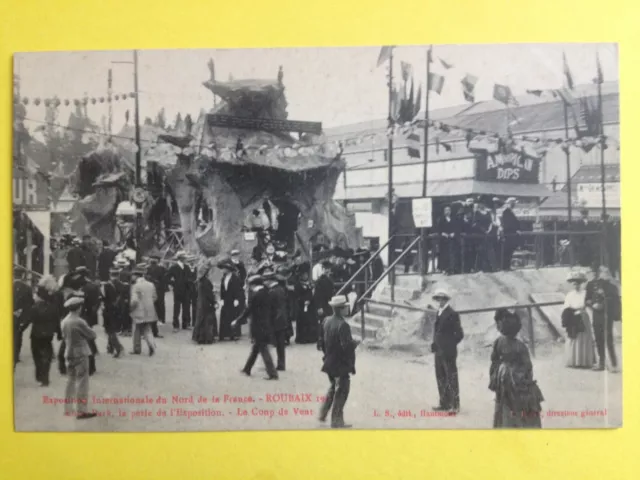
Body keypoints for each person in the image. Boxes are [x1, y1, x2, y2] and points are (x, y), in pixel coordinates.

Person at [489, 309, 544, 428]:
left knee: (504, 408)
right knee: (520, 409)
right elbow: (528, 368)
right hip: (517, 383)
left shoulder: (498, 342)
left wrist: (499, 373)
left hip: (504, 382)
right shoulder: (521, 346)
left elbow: (494, 361)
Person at [318, 295, 359, 428]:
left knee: (332, 388)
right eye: (346, 307)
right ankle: (336, 420)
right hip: (340, 364)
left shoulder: (326, 321)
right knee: (342, 391)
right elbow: (346, 347)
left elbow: (322, 342)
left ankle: (323, 413)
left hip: (329, 361)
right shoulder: (343, 325)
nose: (347, 309)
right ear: (341, 309)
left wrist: (326, 355)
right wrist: (354, 343)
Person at [232, 275, 278, 380]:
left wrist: (237, 321)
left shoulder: (256, 295)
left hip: (258, 325)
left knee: (262, 349)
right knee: (256, 348)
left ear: (253, 285)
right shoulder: (267, 292)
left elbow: (248, 310)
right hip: (266, 324)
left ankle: (273, 374)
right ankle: (247, 368)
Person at [60, 292, 97, 419]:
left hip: (68, 352)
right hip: (80, 353)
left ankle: (68, 408)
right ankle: (81, 411)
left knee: (70, 380)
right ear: (79, 308)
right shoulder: (79, 321)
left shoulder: (65, 321)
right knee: (82, 381)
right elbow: (92, 335)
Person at [22, 276, 61, 386]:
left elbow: (29, 319)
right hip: (48, 333)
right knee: (47, 355)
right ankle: (45, 377)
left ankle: (40, 375)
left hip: (36, 333)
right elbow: (57, 319)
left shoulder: (35, 306)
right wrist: (59, 333)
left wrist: (20, 329)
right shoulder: (54, 304)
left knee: (37, 355)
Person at [431, 288, 464, 413]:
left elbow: (459, 334)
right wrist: (435, 343)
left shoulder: (452, 314)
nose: (440, 301)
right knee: (440, 376)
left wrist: (449, 345)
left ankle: (455, 405)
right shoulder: (439, 312)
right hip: (438, 351)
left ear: (446, 299)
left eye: (442, 299)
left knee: (451, 377)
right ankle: (444, 403)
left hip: (448, 351)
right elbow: (437, 331)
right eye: (438, 299)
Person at [585, 266, 620, 372]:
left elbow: (616, 302)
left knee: (608, 339)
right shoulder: (591, 285)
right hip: (596, 315)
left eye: (607, 271)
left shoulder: (613, 287)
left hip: (607, 316)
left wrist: (604, 305)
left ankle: (613, 364)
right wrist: (593, 305)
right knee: (598, 339)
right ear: (599, 273)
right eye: (603, 272)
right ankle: (601, 363)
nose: (605, 273)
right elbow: (586, 300)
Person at [561, 270, 595, 369]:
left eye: (579, 283)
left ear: (582, 283)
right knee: (573, 338)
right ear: (572, 284)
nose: (576, 285)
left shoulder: (585, 293)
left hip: (583, 316)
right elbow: (566, 306)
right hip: (572, 317)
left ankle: (584, 361)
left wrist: (583, 309)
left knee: (584, 338)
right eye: (574, 283)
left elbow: (588, 304)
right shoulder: (570, 295)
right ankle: (573, 361)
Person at [129, 265, 157, 356]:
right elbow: (155, 297)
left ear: (136, 275)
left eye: (133, 275)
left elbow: (134, 300)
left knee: (136, 329)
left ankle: (137, 349)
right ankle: (151, 344)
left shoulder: (135, 286)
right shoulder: (151, 284)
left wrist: (130, 309)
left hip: (138, 310)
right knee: (147, 329)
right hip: (150, 310)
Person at [266, 271, 289, 371]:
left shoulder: (272, 292)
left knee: (273, 342)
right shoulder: (281, 289)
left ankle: (273, 364)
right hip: (282, 319)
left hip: (275, 320)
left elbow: (271, 307)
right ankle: (281, 364)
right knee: (280, 344)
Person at [192, 259, 218, 344]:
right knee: (207, 320)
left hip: (200, 302)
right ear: (207, 273)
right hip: (206, 303)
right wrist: (214, 302)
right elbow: (209, 294)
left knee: (201, 319)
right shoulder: (206, 282)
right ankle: (206, 338)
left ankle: (199, 337)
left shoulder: (200, 281)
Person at [219, 259, 245, 341]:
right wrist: (222, 299)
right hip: (226, 299)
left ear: (228, 269)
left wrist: (237, 299)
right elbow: (222, 289)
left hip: (233, 300)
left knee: (233, 315)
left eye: (224, 268)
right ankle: (224, 334)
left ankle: (234, 334)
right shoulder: (223, 278)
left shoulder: (235, 278)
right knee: (224, 315)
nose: (223, 270)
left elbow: (238, 289)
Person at [103, 268, 124, 358]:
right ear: (118, 275)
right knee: (113, 329)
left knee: (110, 330)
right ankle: (110, 347)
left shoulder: (106, 285)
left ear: (110, 275)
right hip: (118, 310)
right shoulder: (122, 285)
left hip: (108, 310)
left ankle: (117, 347)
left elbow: (103, 297)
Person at [168, 251, 192, 332]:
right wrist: (174, 284)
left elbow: (190, 277)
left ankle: (186, 324)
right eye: (185, 258)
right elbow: (167, 277)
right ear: (181, 258)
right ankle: (176, 325)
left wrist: (189, 283)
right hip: (178, 290)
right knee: (177, 308)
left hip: (186, 290)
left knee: (186, 307)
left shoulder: (187, 267)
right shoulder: (173, 267)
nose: (186, 259)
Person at [294, 264, 317, 344]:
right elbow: (297, 296)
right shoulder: (298, 285)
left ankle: (311, 337)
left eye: (306, 274)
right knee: (303, 321)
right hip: (301, 306)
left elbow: (312, 293)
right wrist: (304, 300)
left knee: (311, 320)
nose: (305, 276)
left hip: (310, 306)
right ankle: (302, 338)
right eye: (303, 275)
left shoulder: (310, 283)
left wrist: (310, 299)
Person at [146, 254, 168, 338]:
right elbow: (164, 279)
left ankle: (154, 320)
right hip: (159, 289)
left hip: (152, 289)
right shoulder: (162, 269)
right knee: (160, 304)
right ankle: (161, 319)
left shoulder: (147, 269)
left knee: (154, 304)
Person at [500, 197, 521, 271]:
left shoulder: (510, 212)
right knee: (507, 251)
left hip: (512, 234)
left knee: (510, 251)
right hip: (509, 234)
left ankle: (507, 266)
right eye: (513, 203)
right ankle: (505, 266)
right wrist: (515, 230)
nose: (514, 204)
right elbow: (508, 224)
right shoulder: (506, 212)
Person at [437, 205, 458, 275]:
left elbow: (457, 228)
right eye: (446, 210)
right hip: (444, 240)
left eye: (449, 210)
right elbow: (438, 229)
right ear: (444, 211)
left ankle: (452, 269)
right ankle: (444, 269)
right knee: (444, 255)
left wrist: (454, 233)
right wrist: (443, 233)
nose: (447, 211)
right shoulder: (441, 219)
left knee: (452, 254)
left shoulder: (454, 219)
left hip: (452, 239)